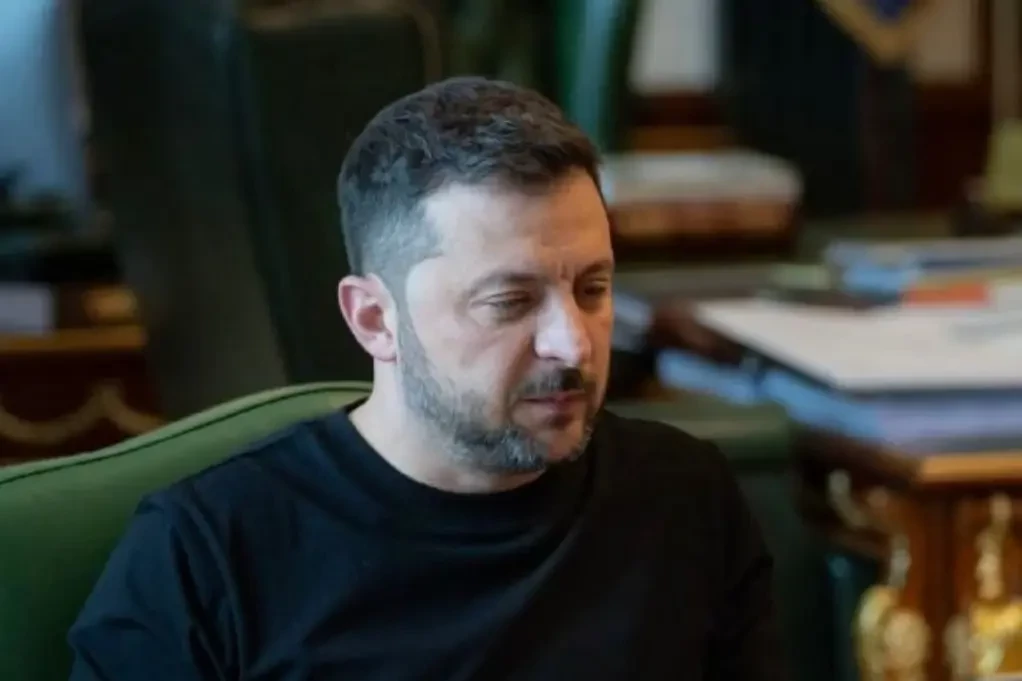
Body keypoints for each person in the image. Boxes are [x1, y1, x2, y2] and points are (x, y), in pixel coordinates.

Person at [67, 77, 784, 680]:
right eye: (510, 301)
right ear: (374, 319)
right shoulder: (206, 556)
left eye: (592, 288)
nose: (572, 341)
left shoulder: (684, 499)